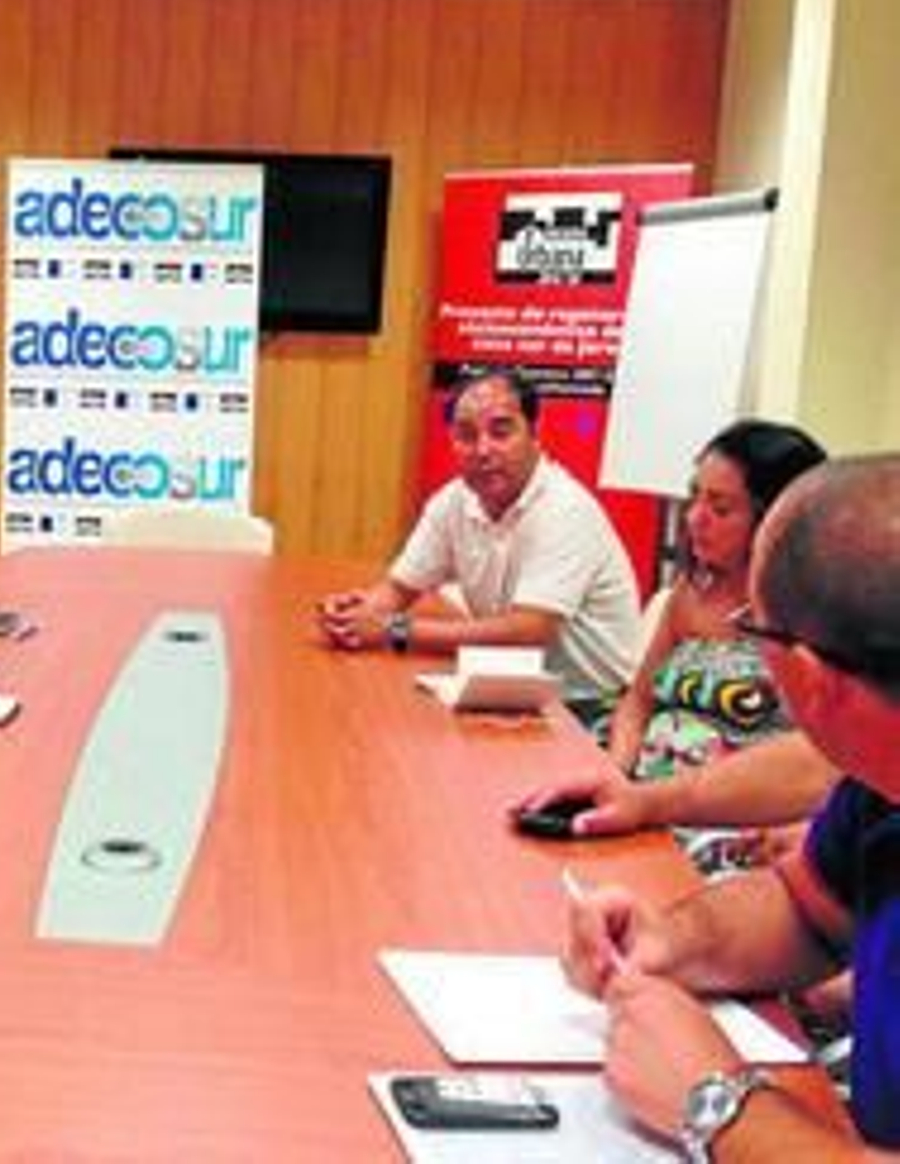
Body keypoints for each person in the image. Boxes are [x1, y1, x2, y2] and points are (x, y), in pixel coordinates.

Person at [564, 455, 900, 1159]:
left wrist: (717, 1106)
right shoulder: (877, 788)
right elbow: (805, 909)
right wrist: (672, 941)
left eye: (757, 629)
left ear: (807, 678)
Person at [515, 420, 838, 871]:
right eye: (695, 497)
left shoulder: (817, 622)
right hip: (647, 802)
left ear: (775, 521)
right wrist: (617, 770)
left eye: (720, 508)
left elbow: (822, 766)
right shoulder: (692, 592)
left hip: (735, 825)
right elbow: (638, 701)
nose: (694, 518)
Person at [317, 368, 641, 704]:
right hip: (506, 685)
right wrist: (355, 617)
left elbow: (528, 630)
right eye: (466, 435)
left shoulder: (565, 508)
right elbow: (400, 588)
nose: (483, 450)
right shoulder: (453, 501)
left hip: (588, 705)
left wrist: (394, 630)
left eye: (501, 432)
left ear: (534, 433)